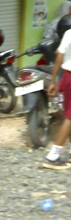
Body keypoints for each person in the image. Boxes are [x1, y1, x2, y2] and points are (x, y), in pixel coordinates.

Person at [43, 14, 71, 170]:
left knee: (69, 114)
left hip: (67, 77)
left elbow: (59, 58)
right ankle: (53, 156)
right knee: (70, 117)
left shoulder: (68, 33)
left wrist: (54, 81)